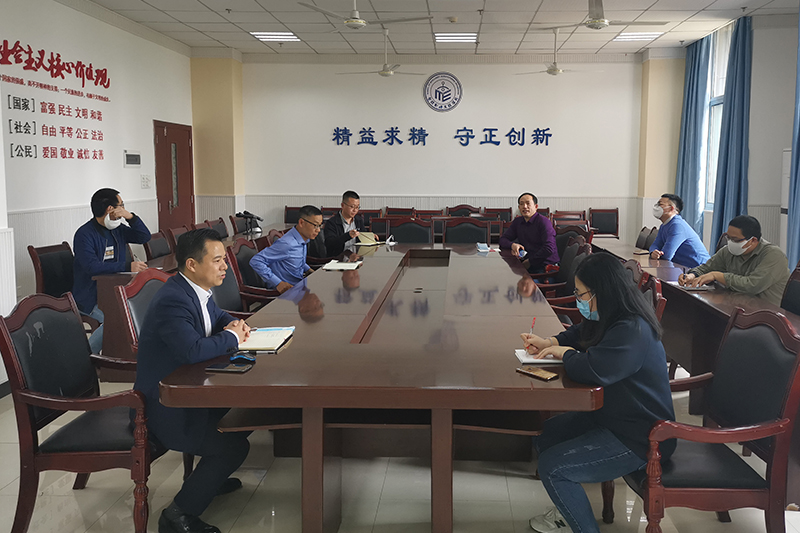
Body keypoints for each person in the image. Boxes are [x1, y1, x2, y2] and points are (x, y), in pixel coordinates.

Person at [520, 252, 675, 533]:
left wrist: (565, 354)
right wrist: (551, 341)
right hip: (613, 416)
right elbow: (581, 333)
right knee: (547, 435)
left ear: (600, 292)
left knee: (554, 467)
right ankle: (567, 509)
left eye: (580, 294)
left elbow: (593, 369)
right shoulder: (611, 314)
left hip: (643, 437)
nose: (578, 299)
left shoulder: (632, 329)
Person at [133, 229, 252, 533]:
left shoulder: (195, 290)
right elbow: (192, 351)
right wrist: (232, 338)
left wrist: (233, 324)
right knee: (233, 447)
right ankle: (177, 515)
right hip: (166, 406)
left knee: (247, 414)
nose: (225, 266)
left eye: (224, 259)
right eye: (217, 260)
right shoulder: (174, 300)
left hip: (190, 391)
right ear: (192, 264)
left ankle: (208, 479)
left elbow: (216, 316)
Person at [72, 188, 150, 354]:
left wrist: (131, 217)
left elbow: (144, 237)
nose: (123, 209)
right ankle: (85, 357)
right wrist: (126, 266)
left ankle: (126, 355)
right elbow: (92, 267)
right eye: (122, 205)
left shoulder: (117, 229)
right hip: (90, 297)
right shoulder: (84, 234)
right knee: (119, 319)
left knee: (140, 312)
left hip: (116, 292)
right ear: (110, 209)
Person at [679, 215, 790, 305]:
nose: (730, 242)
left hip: (766, 313)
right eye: (729, 238)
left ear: (753, 240)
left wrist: (717, 276)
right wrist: (692, 275)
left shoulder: (773, 255)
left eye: (735, 239)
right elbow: (707, 268)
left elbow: (752, 285)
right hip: (735, 304)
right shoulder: (728, 251)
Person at [250, 205, 322, 293]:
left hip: (299, 286)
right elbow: (256, 260)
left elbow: (295, 259)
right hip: (286, 293)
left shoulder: (302, 239)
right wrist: (278, 283)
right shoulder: (287, 244)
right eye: (315, 225)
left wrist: (309, 270)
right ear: (301, 222)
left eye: (320, 225)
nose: (318, 230)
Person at [499, 193, 558, 273]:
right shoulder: (518, 222)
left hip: (545, 267)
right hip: (527, 265)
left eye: (528, 203)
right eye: (521, 204)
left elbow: (549, 249)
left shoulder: (544, 222)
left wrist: (530, 261)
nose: (525, 206)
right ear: (519, 207)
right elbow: (503, 239)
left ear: (536, 206)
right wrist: (512, 245)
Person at [648, 193, 710, 268]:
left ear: (671, 208)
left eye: (660, 204)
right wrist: (653, 252)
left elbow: (667, 255)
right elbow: (655, 245)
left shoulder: (677, 225)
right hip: (682, 267)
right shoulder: (664, 226)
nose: (657, 207)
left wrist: (658, 255)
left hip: (699, 268)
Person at [323, 190, 366, 256]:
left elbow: (362, 238)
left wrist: (370, 237)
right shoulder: (332, 223)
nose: (355, 210)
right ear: (342, 205)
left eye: (357, 207)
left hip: (355, 256)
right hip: (338, 258)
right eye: (352, 207)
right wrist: (347, 236)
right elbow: (330, 244)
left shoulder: (358, 220)